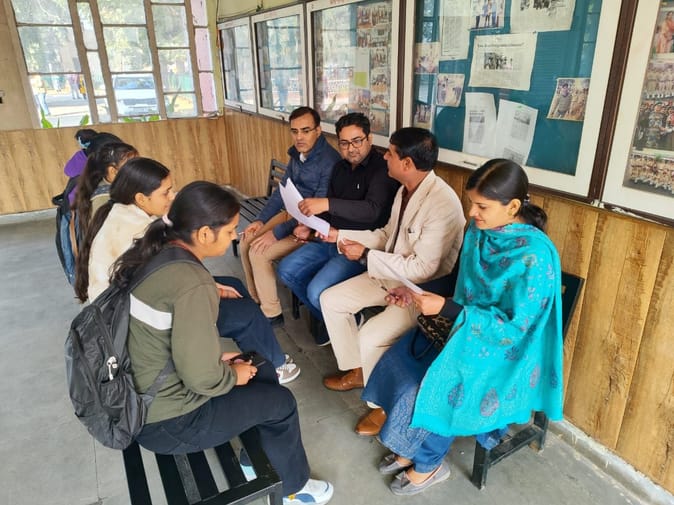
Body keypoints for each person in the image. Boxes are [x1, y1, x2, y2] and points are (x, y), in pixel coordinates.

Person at [111, 182, 333, 505]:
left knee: (259, 367)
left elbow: (175, 341)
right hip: (169, 421)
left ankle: (256, 458)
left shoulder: (161, 254)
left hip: (151, 389)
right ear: (204, 234)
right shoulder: (191, 282)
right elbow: (202, 378)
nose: (234, 236)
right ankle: (293, 489)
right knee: (282, 404)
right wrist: (228, 374)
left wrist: (221, 363)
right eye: (229, 231)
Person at [361, 159, 563, 496]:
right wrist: (413, 292)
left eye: (482, 206)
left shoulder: (535, 256)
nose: (471, 213)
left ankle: (429, 464)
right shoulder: (479, 231)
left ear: (513, 207)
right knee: (399, 360)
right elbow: (456, 282)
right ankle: (410, 446)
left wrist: (446, 308)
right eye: (472, 203)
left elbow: (514, 329)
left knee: (439, 384)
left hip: (504, 350)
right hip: (463, 329)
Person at [75, 158, 300, 384]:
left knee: (234, 286)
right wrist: (210, 288)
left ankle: (264, 352)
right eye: (166, 192)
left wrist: (212, 285)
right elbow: (164, 283)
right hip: (133, 323)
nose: (172, 196)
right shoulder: (132, 229)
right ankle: (274, 366)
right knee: (245, 314)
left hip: (144, 301)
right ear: (141, 198)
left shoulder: (125, 213)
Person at [319, 127, 465, 435]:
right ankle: (359, 370)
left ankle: (382, 406)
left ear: (407, 163)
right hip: (389, 273)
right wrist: (340, 235)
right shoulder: (404, 190)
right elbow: (387, 235)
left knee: (370, 335)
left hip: (420, 293)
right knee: (331, 300)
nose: (384, 157)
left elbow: (424, 269)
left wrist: (365, 255)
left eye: (390, 153)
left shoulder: (442, 203)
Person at [276, 112, 399, 344]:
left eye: (357, 141)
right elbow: (328, 212)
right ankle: (341, 318)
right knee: (286, 270)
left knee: (315, 291)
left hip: (357, 246)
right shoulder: (340, 168)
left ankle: (341, 321)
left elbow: (372, 210)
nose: (351, 149)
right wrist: (309, 228)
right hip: (329, 238)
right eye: (344, 143)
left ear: (370, 139)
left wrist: (327, 203)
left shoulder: (382, 169)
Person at [240, 106, 341, 325]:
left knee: (259, 252)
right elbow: (280, 192)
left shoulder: (330, 162)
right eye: (294, 131)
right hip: (290, 215)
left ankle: (271, 313)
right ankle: (256, 299)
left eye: (305, 130)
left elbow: (315, 212)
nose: (299, 137)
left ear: (318, 130)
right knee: (247, 239)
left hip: (309, 227)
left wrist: (275, 234)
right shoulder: (297, 154)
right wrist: (260, 220)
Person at [72, 141, 138, 243]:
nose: (140, 169)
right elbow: (110, 241)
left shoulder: (115, 187)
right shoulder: (103, 200)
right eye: (133, 166)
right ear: (113, 171)